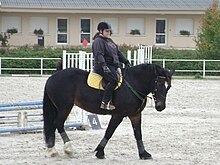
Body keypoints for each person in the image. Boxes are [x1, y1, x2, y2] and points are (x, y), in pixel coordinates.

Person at [92, 22, 131, 111]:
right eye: (106, 31)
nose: (108, 33)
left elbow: (118, 53)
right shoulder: (98, 41)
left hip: (112, 65)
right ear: (101, 31)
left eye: (109, 31)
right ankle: (105, 102)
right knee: (114, 80)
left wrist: (126, 62)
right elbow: (99, 55)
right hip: (102, 66)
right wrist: (104, 66)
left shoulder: (110, 41)